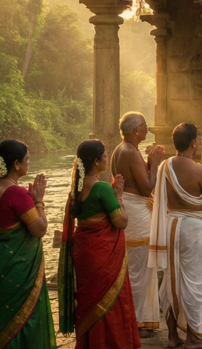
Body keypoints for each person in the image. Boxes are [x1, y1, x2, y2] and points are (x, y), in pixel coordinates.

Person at [0, 140, 56, 349]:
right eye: (27, 160)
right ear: (16, 164)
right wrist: (39, 200)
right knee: (25, 320)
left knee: (2, 318)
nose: (29, 163)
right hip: (17, 267)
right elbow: (40, 229)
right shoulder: (16, 193)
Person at [58, 140, 141, 349]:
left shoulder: (75, 190)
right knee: (110, 302)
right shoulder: (102, 188)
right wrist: (119, 198)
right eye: (104, 156)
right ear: (96, 161)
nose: (107, 158)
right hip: (102, 256)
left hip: (84, 253)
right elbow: (121, 221)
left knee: (89, 302)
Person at [148, 123, 202, 349]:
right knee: (194, 283)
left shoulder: (164, 166)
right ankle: (192, 338)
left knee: (172, 281)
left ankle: (172, 336)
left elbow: (155, 192)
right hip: (192, 230)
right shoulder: (199, 170)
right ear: (194, 143)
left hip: (171, 227)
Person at [108, 112, 166, 337]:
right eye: (143, 126)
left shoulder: (119, 149)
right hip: (137, 213)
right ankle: (139, 322)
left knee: (133, 269)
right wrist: (155, 164)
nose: (146, 129)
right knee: (141, 270)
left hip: (130, 209)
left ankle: (130, 319)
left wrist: (149, 164)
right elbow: (146, 188)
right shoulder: (131, 152)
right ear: (135, 131)